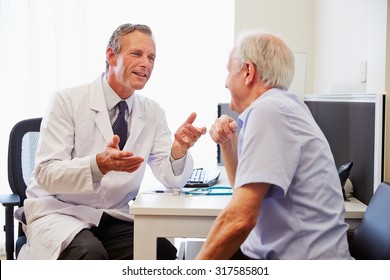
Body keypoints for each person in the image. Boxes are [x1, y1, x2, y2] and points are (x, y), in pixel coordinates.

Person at [17, 23, 206, 260]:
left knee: (162, 253)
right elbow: (46, 173)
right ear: (111, 56)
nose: (146, 63)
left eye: (151, 57)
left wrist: (178, 151)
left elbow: (170, 179)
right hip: (60, 212)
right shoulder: (67, 101)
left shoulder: (153, 111)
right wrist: (97, 165)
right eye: (136, 54)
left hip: (113, 215)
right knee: (90, 254)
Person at [196, 31, 352, 260]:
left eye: (229, 71)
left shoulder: (269, 111)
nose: (225, 82)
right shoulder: (281, 106)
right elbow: (242, 189)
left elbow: (240, 219)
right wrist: (227, 144)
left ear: (248, 72)